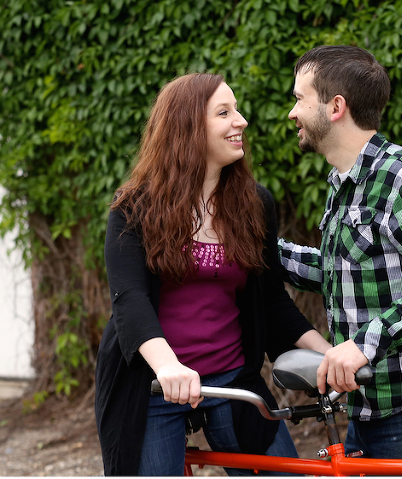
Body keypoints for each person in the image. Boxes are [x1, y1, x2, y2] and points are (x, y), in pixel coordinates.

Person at [95, 73, 332, 476]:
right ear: (186, 127)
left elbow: (272, 301)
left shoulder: (254, 204)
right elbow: (129, 300)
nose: (240, 121)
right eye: (224, 112)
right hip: (152, 385)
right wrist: (169, 367)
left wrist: (328, 354)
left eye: (236, 110)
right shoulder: (133, 208)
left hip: (233, 381)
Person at [278, 45, 402, 460]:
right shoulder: (345, 183)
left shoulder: (401, 175)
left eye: (299, 99)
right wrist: (260, 251)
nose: (291, 113)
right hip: (369, 405)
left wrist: (367, 342)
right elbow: (342, 271)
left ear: (335, 107)